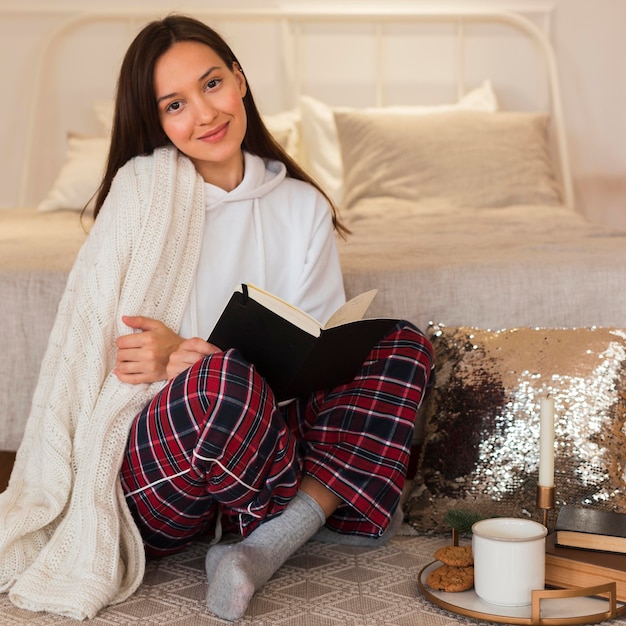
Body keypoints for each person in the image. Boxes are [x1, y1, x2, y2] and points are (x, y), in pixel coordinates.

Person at [0, 14, 433, 622]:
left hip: (269, 442)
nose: (204, 115)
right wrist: (171, 361)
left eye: (211, 85)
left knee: (401, 343)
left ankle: (258, 549)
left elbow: (318, 354)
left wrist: (212, 353)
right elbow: (91, 359)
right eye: (175, 104)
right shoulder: (141, 197)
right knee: (220, 382)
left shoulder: (301, 206)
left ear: (240, 80)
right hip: (167, 472)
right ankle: (302, 516)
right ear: (157, 121)